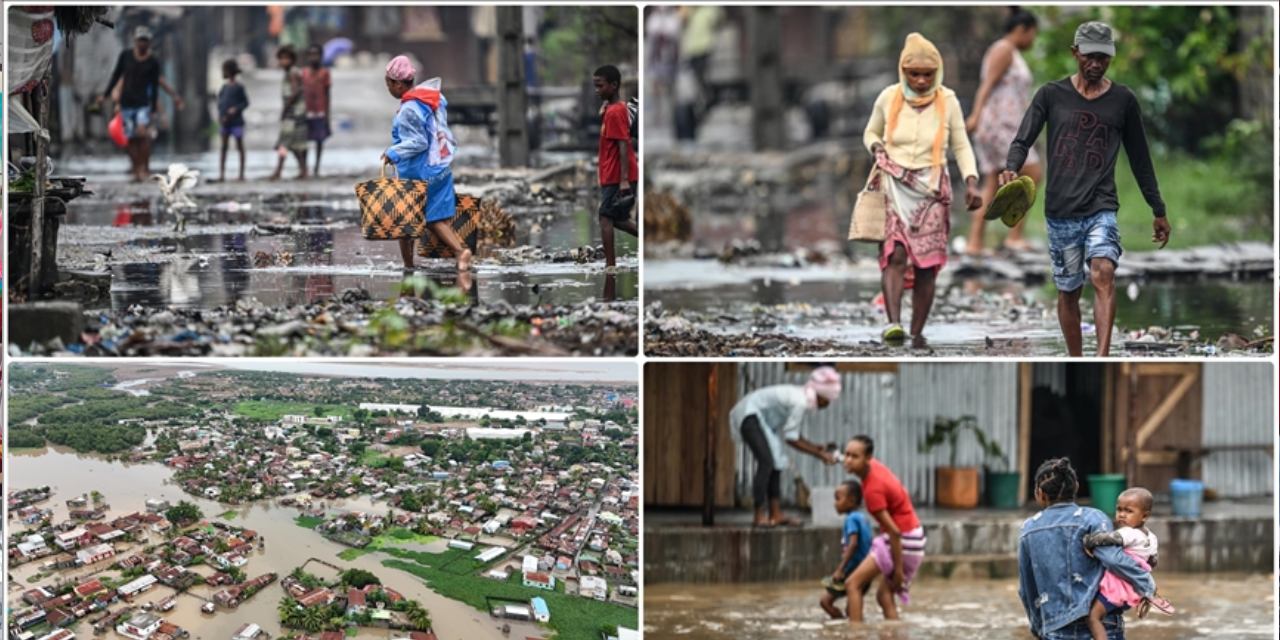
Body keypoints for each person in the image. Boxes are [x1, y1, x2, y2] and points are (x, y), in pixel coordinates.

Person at [1001, 21, 1171, 357]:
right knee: (1068, 291)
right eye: (1089, 57)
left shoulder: (1123, 100)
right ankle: (1077, 359)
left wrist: (1158, 209)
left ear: (1111, 58)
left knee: (1103, 271)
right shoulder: (1051, 95)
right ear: (1074, 53)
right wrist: (1010, 167)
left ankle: (1102, 357)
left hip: (1100, 207)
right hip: (1060, 212)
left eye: (1103, 59)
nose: (1095, 64)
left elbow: (1140, 159)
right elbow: (1023, 139)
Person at [863, 33, 982, 346]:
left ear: (937, 73)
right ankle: (893, 324)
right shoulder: (888, 98)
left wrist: (971, 180)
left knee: (927, 265)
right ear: (902, 71)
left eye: (927, 75)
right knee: (895, 255)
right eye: (913, 74)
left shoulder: (949, 101)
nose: (919, 80)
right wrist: (876, 146)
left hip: (931, 193)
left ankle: (917, 331)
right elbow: (871, 131)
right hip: (893, 186)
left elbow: (962, 145)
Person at [1018, 458, 1155, 639]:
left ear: (1039, 493)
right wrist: (1146, 582)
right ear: (1076, 486)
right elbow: (1114, 559)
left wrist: (1039, 628)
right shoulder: (1092, 518)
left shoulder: (1029, 529)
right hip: (1101, 624)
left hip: (1055, 628)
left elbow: (1027, 589)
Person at [381, 55, 472, 273]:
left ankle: (456, 254)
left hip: (419, 172)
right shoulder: (432, 100)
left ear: (398, 83)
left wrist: (393, 152)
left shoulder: (409, 109)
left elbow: (418, 142)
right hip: (439, 166)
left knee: (409, 219)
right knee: (437, 217)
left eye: (389, 84)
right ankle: (414, 264)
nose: (388, 88)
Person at [966, 8, 1042, 255]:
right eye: (1033, 34)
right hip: (999, 125)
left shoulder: (1011, 52)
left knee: (993, 182)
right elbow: (986, 85)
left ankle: (974, 243)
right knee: (1031, 171)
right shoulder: (1004, 49)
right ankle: (1014, 237)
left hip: (1007, 125)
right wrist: (976, 115)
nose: (1033, 40)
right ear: (1022, 30)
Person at [728, 366, 842, 528]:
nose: (828, 404)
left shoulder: (802, 396)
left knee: (777, 462)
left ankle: (776, 514)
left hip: (761, 420)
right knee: (767, 462)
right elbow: (792, 439)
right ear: (822, 396)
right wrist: (819, 455)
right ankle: (759, 515)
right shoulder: (800, 401)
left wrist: (818, 448)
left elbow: (792, 433)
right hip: (750, 415)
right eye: (828, 400)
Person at [841, 435, 926, 624]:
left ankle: (856, 634)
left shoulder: (872, 491)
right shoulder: (873, 468)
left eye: (854, 457)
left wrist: (898, 570)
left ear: (867, 458)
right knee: (884, 595)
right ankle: (895, 633)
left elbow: (894, 532)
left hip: (903, 539)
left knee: (852, 584)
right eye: (846, 454)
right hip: (915, 536)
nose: (848, 460)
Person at [1083, 487, 1174, 640]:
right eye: (1119, 510)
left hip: (1118, 585)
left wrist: (1089, 540)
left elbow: (1109, 539)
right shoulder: (1151, 537)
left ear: (1145, 516)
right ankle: (1145, 597)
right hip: (1131, 587)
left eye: (1129, 511)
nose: (1122, 515)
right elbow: (1153, 560)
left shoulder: (1128, 532)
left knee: (1093, 617)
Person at [103, 26, 185, 182]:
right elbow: (116, 77)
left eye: (145, 41)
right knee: (130, 138)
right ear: (135, 41)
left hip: (143, 104)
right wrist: (109, 97)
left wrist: (155, 107)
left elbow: (156, 85)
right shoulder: (126, 57)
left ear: (149, 43)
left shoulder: (152, 62)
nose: (142, 44)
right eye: (140, 40)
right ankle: (136, 167)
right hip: (126, 103)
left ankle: (144, 168)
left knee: (143, 134)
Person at [593, 65, 639, 269]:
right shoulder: (610, 111)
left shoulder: (616, 112)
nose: (597, 90)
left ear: (614, 86)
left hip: (617, 175)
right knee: (616, 218)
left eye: (600, 86)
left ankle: (610, 265)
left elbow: (623, 144)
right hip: (610, 174)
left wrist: (623, 180)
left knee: (605, 217)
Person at [819, 479, 873, 619]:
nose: (835, 503)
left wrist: (840, 569)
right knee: (853, 610)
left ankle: (841, 625)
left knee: (825, 602)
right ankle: (852, 630)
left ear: (851, 500)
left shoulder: (851, 519)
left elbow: (853, 544)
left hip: (852, 571)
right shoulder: (863, 518)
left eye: (838, 498)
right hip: (866, 570)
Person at [270, 45, 309, 180]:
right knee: (293, 144)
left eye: (285, 59)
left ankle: (279, 171)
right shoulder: (290, 73)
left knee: (285, 142)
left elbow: (296, 91)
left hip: (294, 112)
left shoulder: (293, 72)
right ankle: (303, 170)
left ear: (292, 60)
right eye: (281, 59)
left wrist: (287, 106)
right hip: (294, 112)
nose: (282, 62)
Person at [301, 44, 332, 177]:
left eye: (316, 54)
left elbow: (327, 94)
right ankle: (304, 167)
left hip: (320, 110)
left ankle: (316, 167)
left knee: (319, 140)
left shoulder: (325, 73)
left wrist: (327, 114)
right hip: (306, 110)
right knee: (304, 140)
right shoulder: (304, 73)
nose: (314, 57)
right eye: (311, 54)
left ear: (321, 56)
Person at [215, 59, 249, 183]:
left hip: (237, 122)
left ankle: (241, 174)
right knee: (224, 147)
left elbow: (245, 103)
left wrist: (235, 109)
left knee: (239, 146)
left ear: (230, 72)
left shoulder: (239, 87)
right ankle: (222, 174)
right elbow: (220, 103)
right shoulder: (224, 87)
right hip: (225, 122)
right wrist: (221, 116)